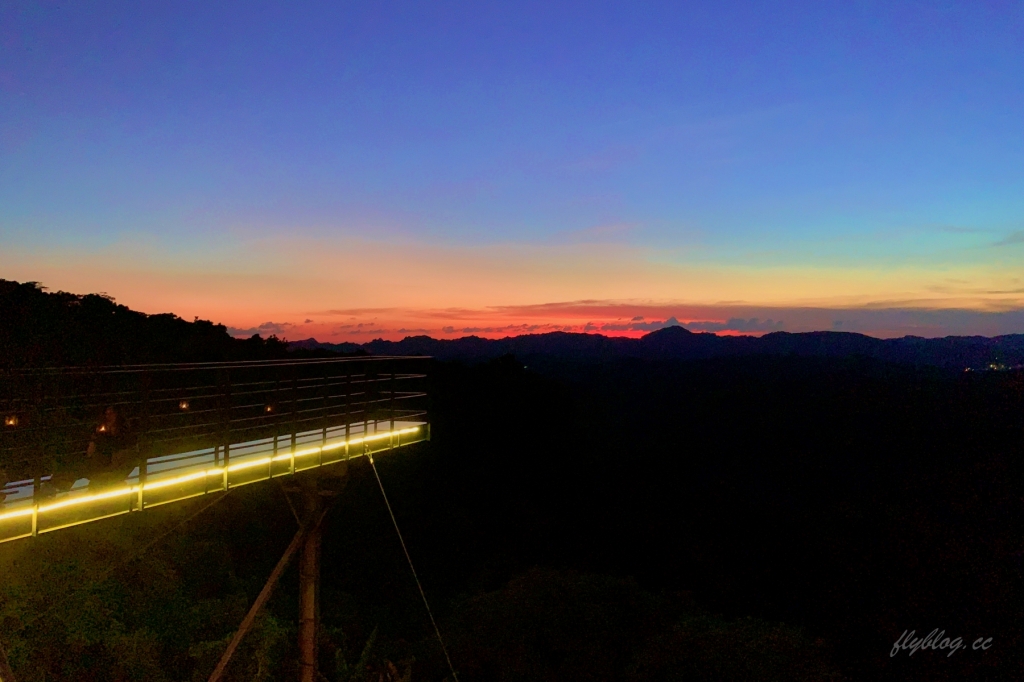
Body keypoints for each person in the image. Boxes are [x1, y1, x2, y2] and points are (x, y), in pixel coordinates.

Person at [85, 406, 137, 486]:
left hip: (120, 454)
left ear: (116, 414)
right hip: (109, 455)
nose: (108, 416)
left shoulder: (123, 428)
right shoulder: (104, 427)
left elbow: (123, 443)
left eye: (110, 413)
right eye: (106, 414)